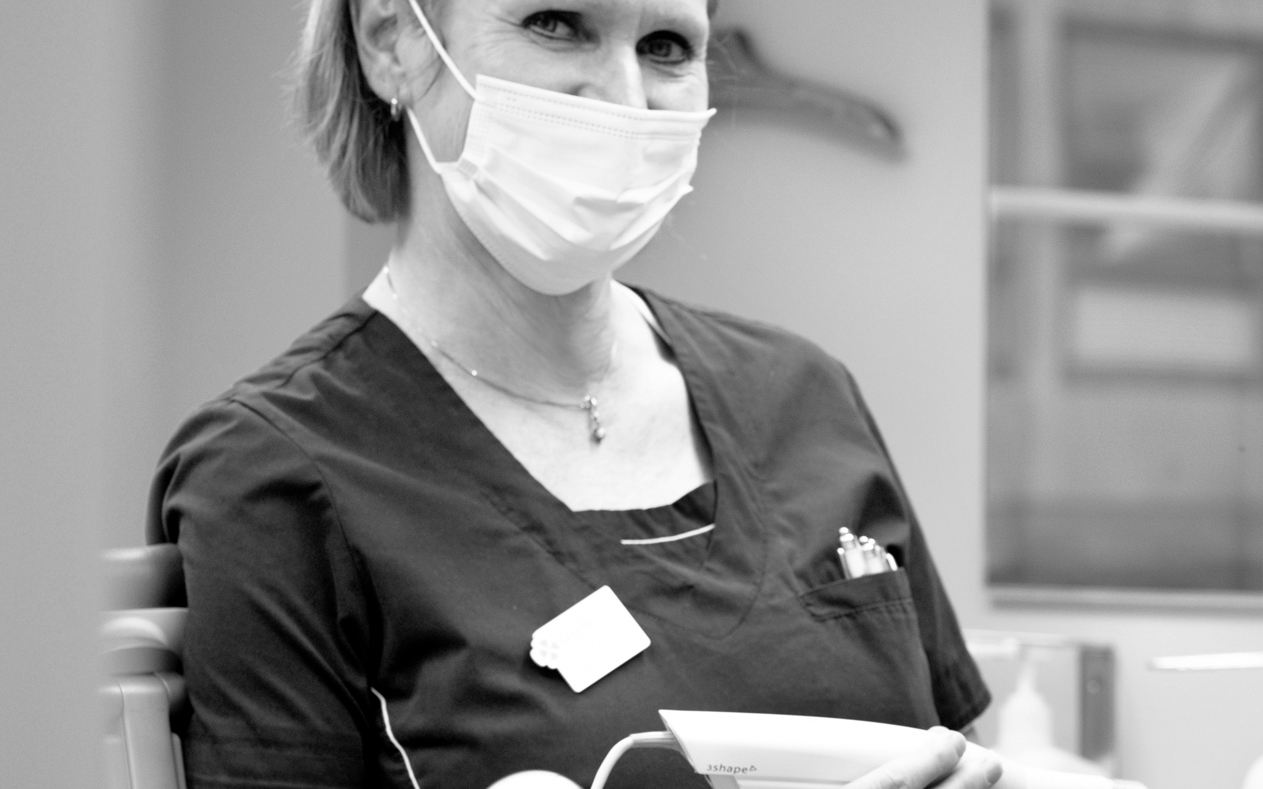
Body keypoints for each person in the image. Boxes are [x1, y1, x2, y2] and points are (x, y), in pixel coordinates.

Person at [148, 1, 998, 787]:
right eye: (556, 23)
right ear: (391, 40)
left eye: (666, 46)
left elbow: (967, 750)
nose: (623, 100)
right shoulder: (274, 477)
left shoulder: (804, 397)